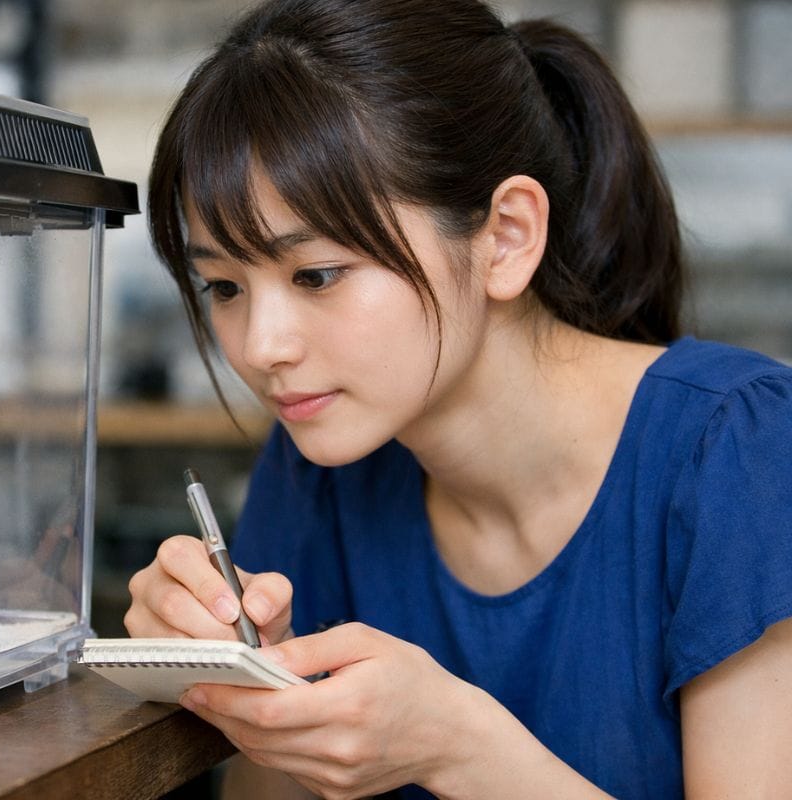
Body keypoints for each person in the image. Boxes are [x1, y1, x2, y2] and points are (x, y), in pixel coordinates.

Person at [122, 0, 792, 798]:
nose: (261, 347)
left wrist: (455, 748)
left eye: (317, 275)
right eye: (224, 286)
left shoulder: (737, 448)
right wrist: (245, 678)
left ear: (505, 237)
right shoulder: (319, 466)